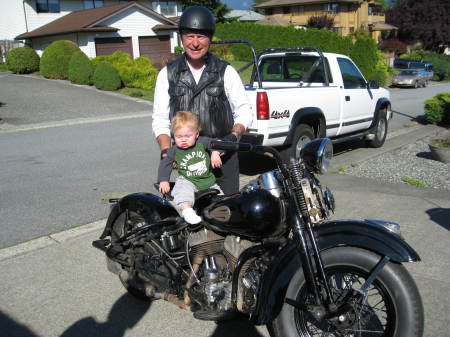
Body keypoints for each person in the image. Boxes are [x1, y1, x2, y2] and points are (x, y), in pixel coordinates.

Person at [152, 5, 252, 195]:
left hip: (223, 159)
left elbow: (244, 110)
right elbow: (160, 118)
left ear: (210, 38)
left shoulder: (226, 71)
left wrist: (232, 137)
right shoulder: (168, 74)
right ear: (181, 38)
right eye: (190, 36)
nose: (195, 43)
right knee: (189, 214)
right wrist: (166, 151)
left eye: (201, 36)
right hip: (187, 160)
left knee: (226, 213)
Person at [157, 111, 223, 224]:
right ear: (173, 136)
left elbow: (218, 143)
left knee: (222, 200)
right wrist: (163, 180)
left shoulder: (202, 142)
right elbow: (165, 164)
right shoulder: (174, 150)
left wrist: (215, 153)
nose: (183, 140)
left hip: (208, 180)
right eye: (179, 136)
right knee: (182, 191)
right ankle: (187, 210)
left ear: (196, 134)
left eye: (188, 136)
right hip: (188, 180)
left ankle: (220, 217)